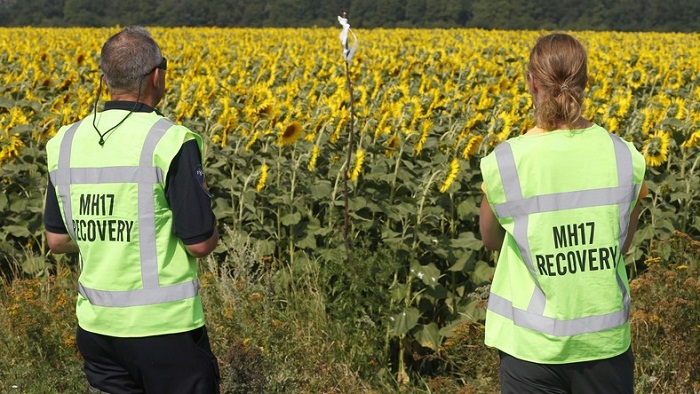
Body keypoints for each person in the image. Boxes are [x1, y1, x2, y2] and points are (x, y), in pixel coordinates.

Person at [44, 26, 220, 393]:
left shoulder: (65, 142)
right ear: (156, 75)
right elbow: (200, 243)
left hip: (97, 329)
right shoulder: (170, 140)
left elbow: (57, 240)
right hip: (163, 328)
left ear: (105, 78)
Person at [478, 32, 646, 393]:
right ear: (585, 83)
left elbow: (490, 240)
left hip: (531, 350)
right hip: (604, 350)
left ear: (532, 82)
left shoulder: (507, 162)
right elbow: (624, 243)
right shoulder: (625, 157)